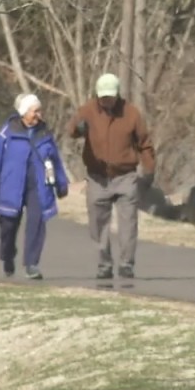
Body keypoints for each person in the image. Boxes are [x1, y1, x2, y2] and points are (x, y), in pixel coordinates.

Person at [65, 73, 156, 280]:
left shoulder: (131, 113)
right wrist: (78, 128)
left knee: (128, 223)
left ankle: (126, 264)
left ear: (117, 94)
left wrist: (149, 171)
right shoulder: (87, 110)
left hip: (125, 176)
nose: (106, 100)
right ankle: (104, 264)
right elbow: (71, 131)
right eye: (103, 96)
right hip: (97, 177)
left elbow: (145, 144)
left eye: (110, 96)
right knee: (98, 223)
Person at [0, 93, 69, 280]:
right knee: (8, 226)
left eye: (39, 111)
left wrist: (61, 183)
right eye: (35, 111)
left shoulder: (45, 133)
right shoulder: (8, 132)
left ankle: (31, 264)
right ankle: (7, 256)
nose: (38, 115)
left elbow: (55, 160)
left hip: (38, 186)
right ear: (24, 112)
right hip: (11, 185)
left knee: (37, 223)